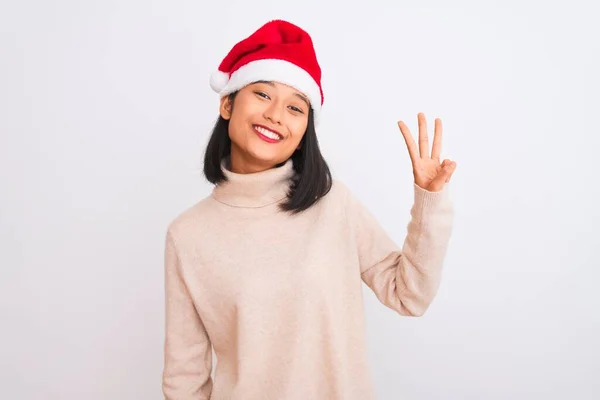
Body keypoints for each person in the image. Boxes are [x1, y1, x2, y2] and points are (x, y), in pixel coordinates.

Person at [162, 19, 457, 400]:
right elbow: (184, 377)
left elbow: (409, 294)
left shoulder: (332, 205)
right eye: (263, 94)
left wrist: (428, 201)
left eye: (295, 108)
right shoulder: (187, 234)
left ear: (304, 132)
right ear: (227, 103)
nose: (276, 115)